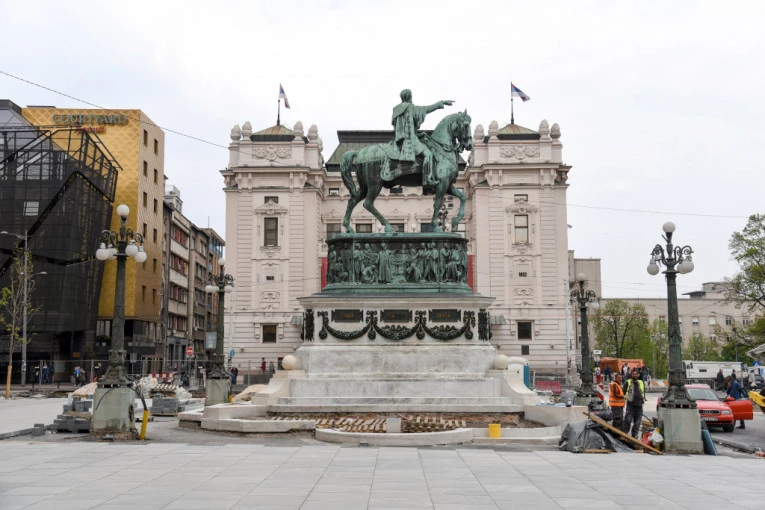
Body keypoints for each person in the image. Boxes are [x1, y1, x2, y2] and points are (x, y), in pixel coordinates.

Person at [390, 89, 453, 189]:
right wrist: (442, 103)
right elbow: (428, 108)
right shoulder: (410, 108)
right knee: (428, 154)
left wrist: (418, 134)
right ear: (409, 97)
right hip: (410, 140)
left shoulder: (396, 110)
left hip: (399, 139)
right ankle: (427, 179)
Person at [623, 369, 646, 438]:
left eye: (635, 374)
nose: (634, 375)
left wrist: (642, 399)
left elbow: (643, 392)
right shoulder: (628, 382)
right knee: (628, 421)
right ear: (631, 375)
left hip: (639, 405)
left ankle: (634, 436)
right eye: (633, 374)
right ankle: (624, 435)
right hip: (631, 405)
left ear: (638, 375)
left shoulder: (641, 382)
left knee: (637, 423)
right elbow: (623, 393)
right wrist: (628, 398)